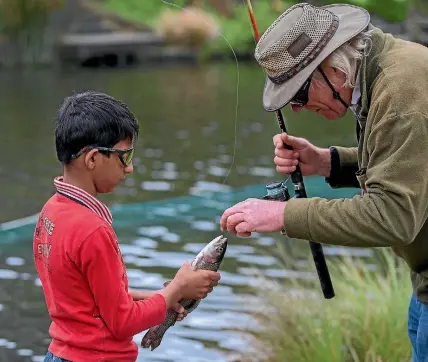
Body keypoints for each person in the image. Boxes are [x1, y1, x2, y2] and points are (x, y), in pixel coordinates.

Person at [219, 3, 428, 361]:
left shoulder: (400, 94)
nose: (297, 109)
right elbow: (408, 165)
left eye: (299, 94)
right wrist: (327, 162)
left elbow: (393, 216)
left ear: (333, 68)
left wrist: (283, 216)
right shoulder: (383, 70)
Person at [34, 91, 221, 362]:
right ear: (93, 159)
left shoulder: (51, 213)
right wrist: (177, 287)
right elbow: (122, 322)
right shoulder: (92, 230)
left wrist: (163, 297)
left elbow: (87, 301)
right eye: (125, 155)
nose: (130, 167)